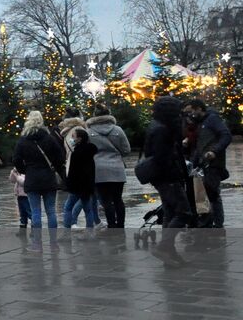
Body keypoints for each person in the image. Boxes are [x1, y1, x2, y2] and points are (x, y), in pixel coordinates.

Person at [142, 96, 190, 263]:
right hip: (168, 177)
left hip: (163, 178)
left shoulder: (157, 126)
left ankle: (169, 252)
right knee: (184, 213)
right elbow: (162, 157)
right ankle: (164, 246)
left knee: (170, 213)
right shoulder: (162, 130)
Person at [13, 111, 65, 230]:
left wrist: (25, 170)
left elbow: (16, 159)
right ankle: (53, 240)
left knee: (35, 211)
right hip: (48, 177)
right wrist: (55, 167)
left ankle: (37, 242)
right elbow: (60, 157)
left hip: (32, 177)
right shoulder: (49, 138)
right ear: (41, 121)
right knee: (51, 211)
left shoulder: (23, 140)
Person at [184, 98, 231, 228]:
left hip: (213, 164)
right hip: (203, 164)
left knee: (212, 193)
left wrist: (214, 151)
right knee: (205, 193)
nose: (191, 114)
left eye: (192, 111)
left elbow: (226, 135)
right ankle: (209, 222)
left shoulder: (212, 119)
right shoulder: (201, 122)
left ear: (199, 108)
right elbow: (201, 143)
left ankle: (216, 223)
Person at [85, 103, 131, 229]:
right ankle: (121, 225)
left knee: (105, 200)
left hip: (98, 169)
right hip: (117, 168)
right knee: (118, 199)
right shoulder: (118, 130)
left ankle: (111, 225)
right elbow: (126, 150)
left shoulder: (88, 132)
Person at [62, 127, 99, 228]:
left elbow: (73, 172)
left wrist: (68, 185)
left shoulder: (76, 153)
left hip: (77, 187)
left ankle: (66, 232)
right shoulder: (90, 152)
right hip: (87, 186)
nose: (72, 138)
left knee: (68, 207)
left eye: (73, 136)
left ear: (80, 138)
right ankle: (90, 233)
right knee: (88, 209)